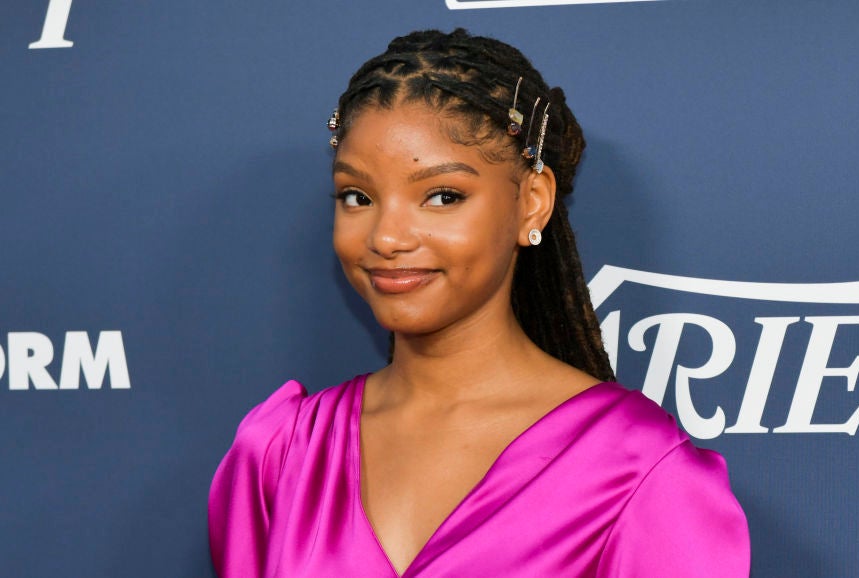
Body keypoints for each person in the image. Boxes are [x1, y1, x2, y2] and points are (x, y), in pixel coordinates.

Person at [208, 28, 749, 577]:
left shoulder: (637, 468)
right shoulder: (281, 451)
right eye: (358, 196)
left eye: (442, 196)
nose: (386, 237)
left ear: (532, 202)